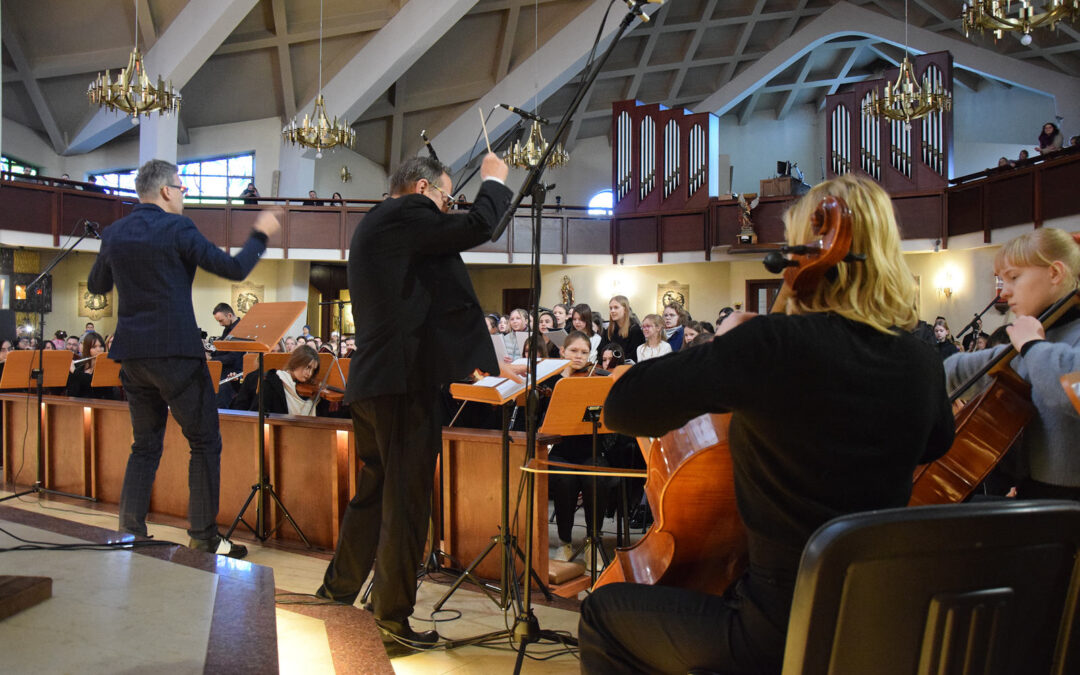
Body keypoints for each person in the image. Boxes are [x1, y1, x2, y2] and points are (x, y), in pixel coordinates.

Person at [577, 173, 954, 674]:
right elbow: (935, 443)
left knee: (603, 615)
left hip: (775, 628)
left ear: (804, 252)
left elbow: (624, 406)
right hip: (873, 622)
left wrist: (726, 346)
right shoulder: (920, 361)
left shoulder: (774, 345)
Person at [315, 152, 511, 646]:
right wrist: (493, 181)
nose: (448, 208)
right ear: (423, 189)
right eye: (446, 197)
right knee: (407, 504)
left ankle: (337, 593)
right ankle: (389, 621)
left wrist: (486, 361)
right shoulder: (405, 214)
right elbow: (480, 226)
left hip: (376, 382)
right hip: (401, 386)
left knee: (375, 495)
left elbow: (431, 304)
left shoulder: (381, 228)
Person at [87, 158, 280, 559]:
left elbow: (96, 285)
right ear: (164, 191)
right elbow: (234, 267)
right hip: (175, 353)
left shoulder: (116, 232)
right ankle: (204, 537)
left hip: (133, 358)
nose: (185, 192)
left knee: (144, 446)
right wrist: (260, 235)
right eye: (182, 186)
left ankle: (130, 532)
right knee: (204, 441)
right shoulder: (177, 227)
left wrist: (115, 256)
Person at [943, 227, 1080, 500]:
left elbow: (1071, 393)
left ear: (1055, 273)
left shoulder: (1035, 345)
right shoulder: (1032, 342)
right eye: (1001, 280)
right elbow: (953, 370)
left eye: (1014, 278)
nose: (1003, 293)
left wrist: (1031, 346)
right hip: (1035, 501)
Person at [231, 345, 320, 415]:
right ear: (296, 362)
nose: (309, 373)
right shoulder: (271, 381)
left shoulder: (308, 391)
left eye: (313, 370)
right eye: (308, 367)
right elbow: (256, 410)